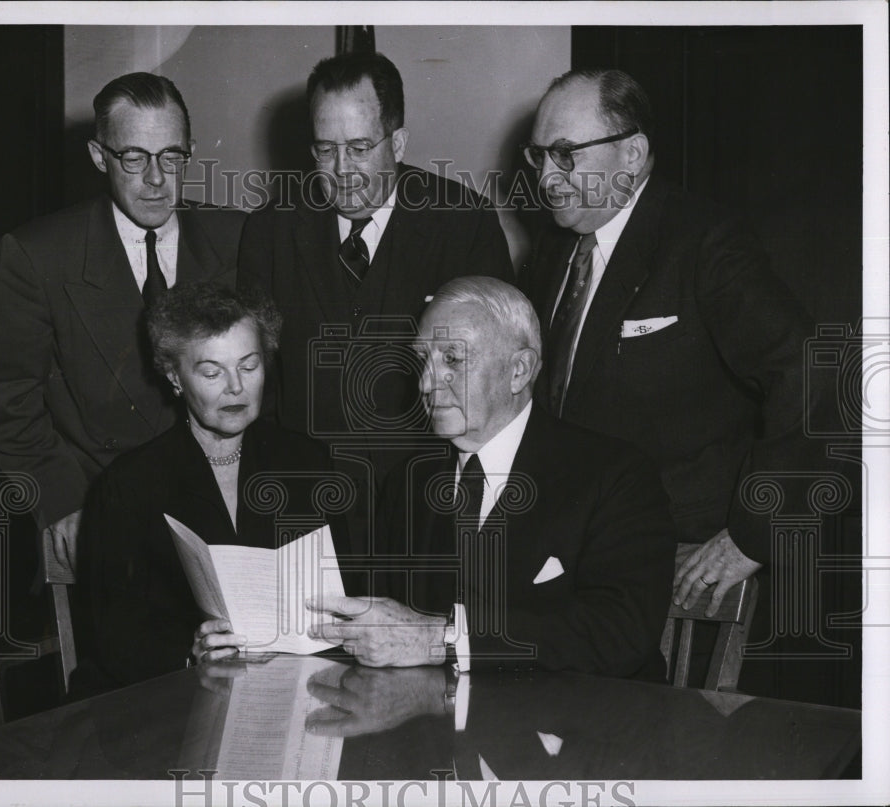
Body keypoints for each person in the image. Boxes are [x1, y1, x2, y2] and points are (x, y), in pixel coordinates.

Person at [517, 69, 815, 616]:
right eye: (538, 156)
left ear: (632, 154)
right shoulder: (553, 251)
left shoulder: (703, 242)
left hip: (680, 558)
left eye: (565, 153)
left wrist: (756, 533)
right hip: (575, 557)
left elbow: (812, 373)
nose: (546, 178)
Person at [311, 277, 676, 680]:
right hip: (433, 728)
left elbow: (620, 634)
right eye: (422, 360)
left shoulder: (615, 476)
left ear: (518, 371)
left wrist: (445, 639)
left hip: (579, 729)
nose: (426, 384)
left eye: (452, 358)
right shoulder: (407, 483)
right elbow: (381, 624)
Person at [238, 51, 514, 553]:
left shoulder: (463, 223)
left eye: (361, 147)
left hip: (430, 508)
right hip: (306, 511)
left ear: (399, 141)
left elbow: (495, 385)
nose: (342, 170)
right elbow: (262, 381)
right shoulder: (269, 230)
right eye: (325, 149)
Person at [0, 72, 244, 576]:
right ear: (100, 157)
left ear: (190, 150)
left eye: (171, 156)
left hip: (225, 512)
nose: (156, 180)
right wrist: (62, 502)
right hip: (104, 509)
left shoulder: (238, 238)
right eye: (134, 158)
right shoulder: (36, 255)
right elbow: (7, 401)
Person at [73, 283, 352, 692]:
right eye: (211, 372)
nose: (235, 387)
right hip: (177, 697)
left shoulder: (307, 463)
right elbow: (113, 633)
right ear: (174, 377)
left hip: (301, 691)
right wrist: (190, 653)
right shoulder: (129, 483)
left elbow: (351, 589)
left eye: (249, 365)